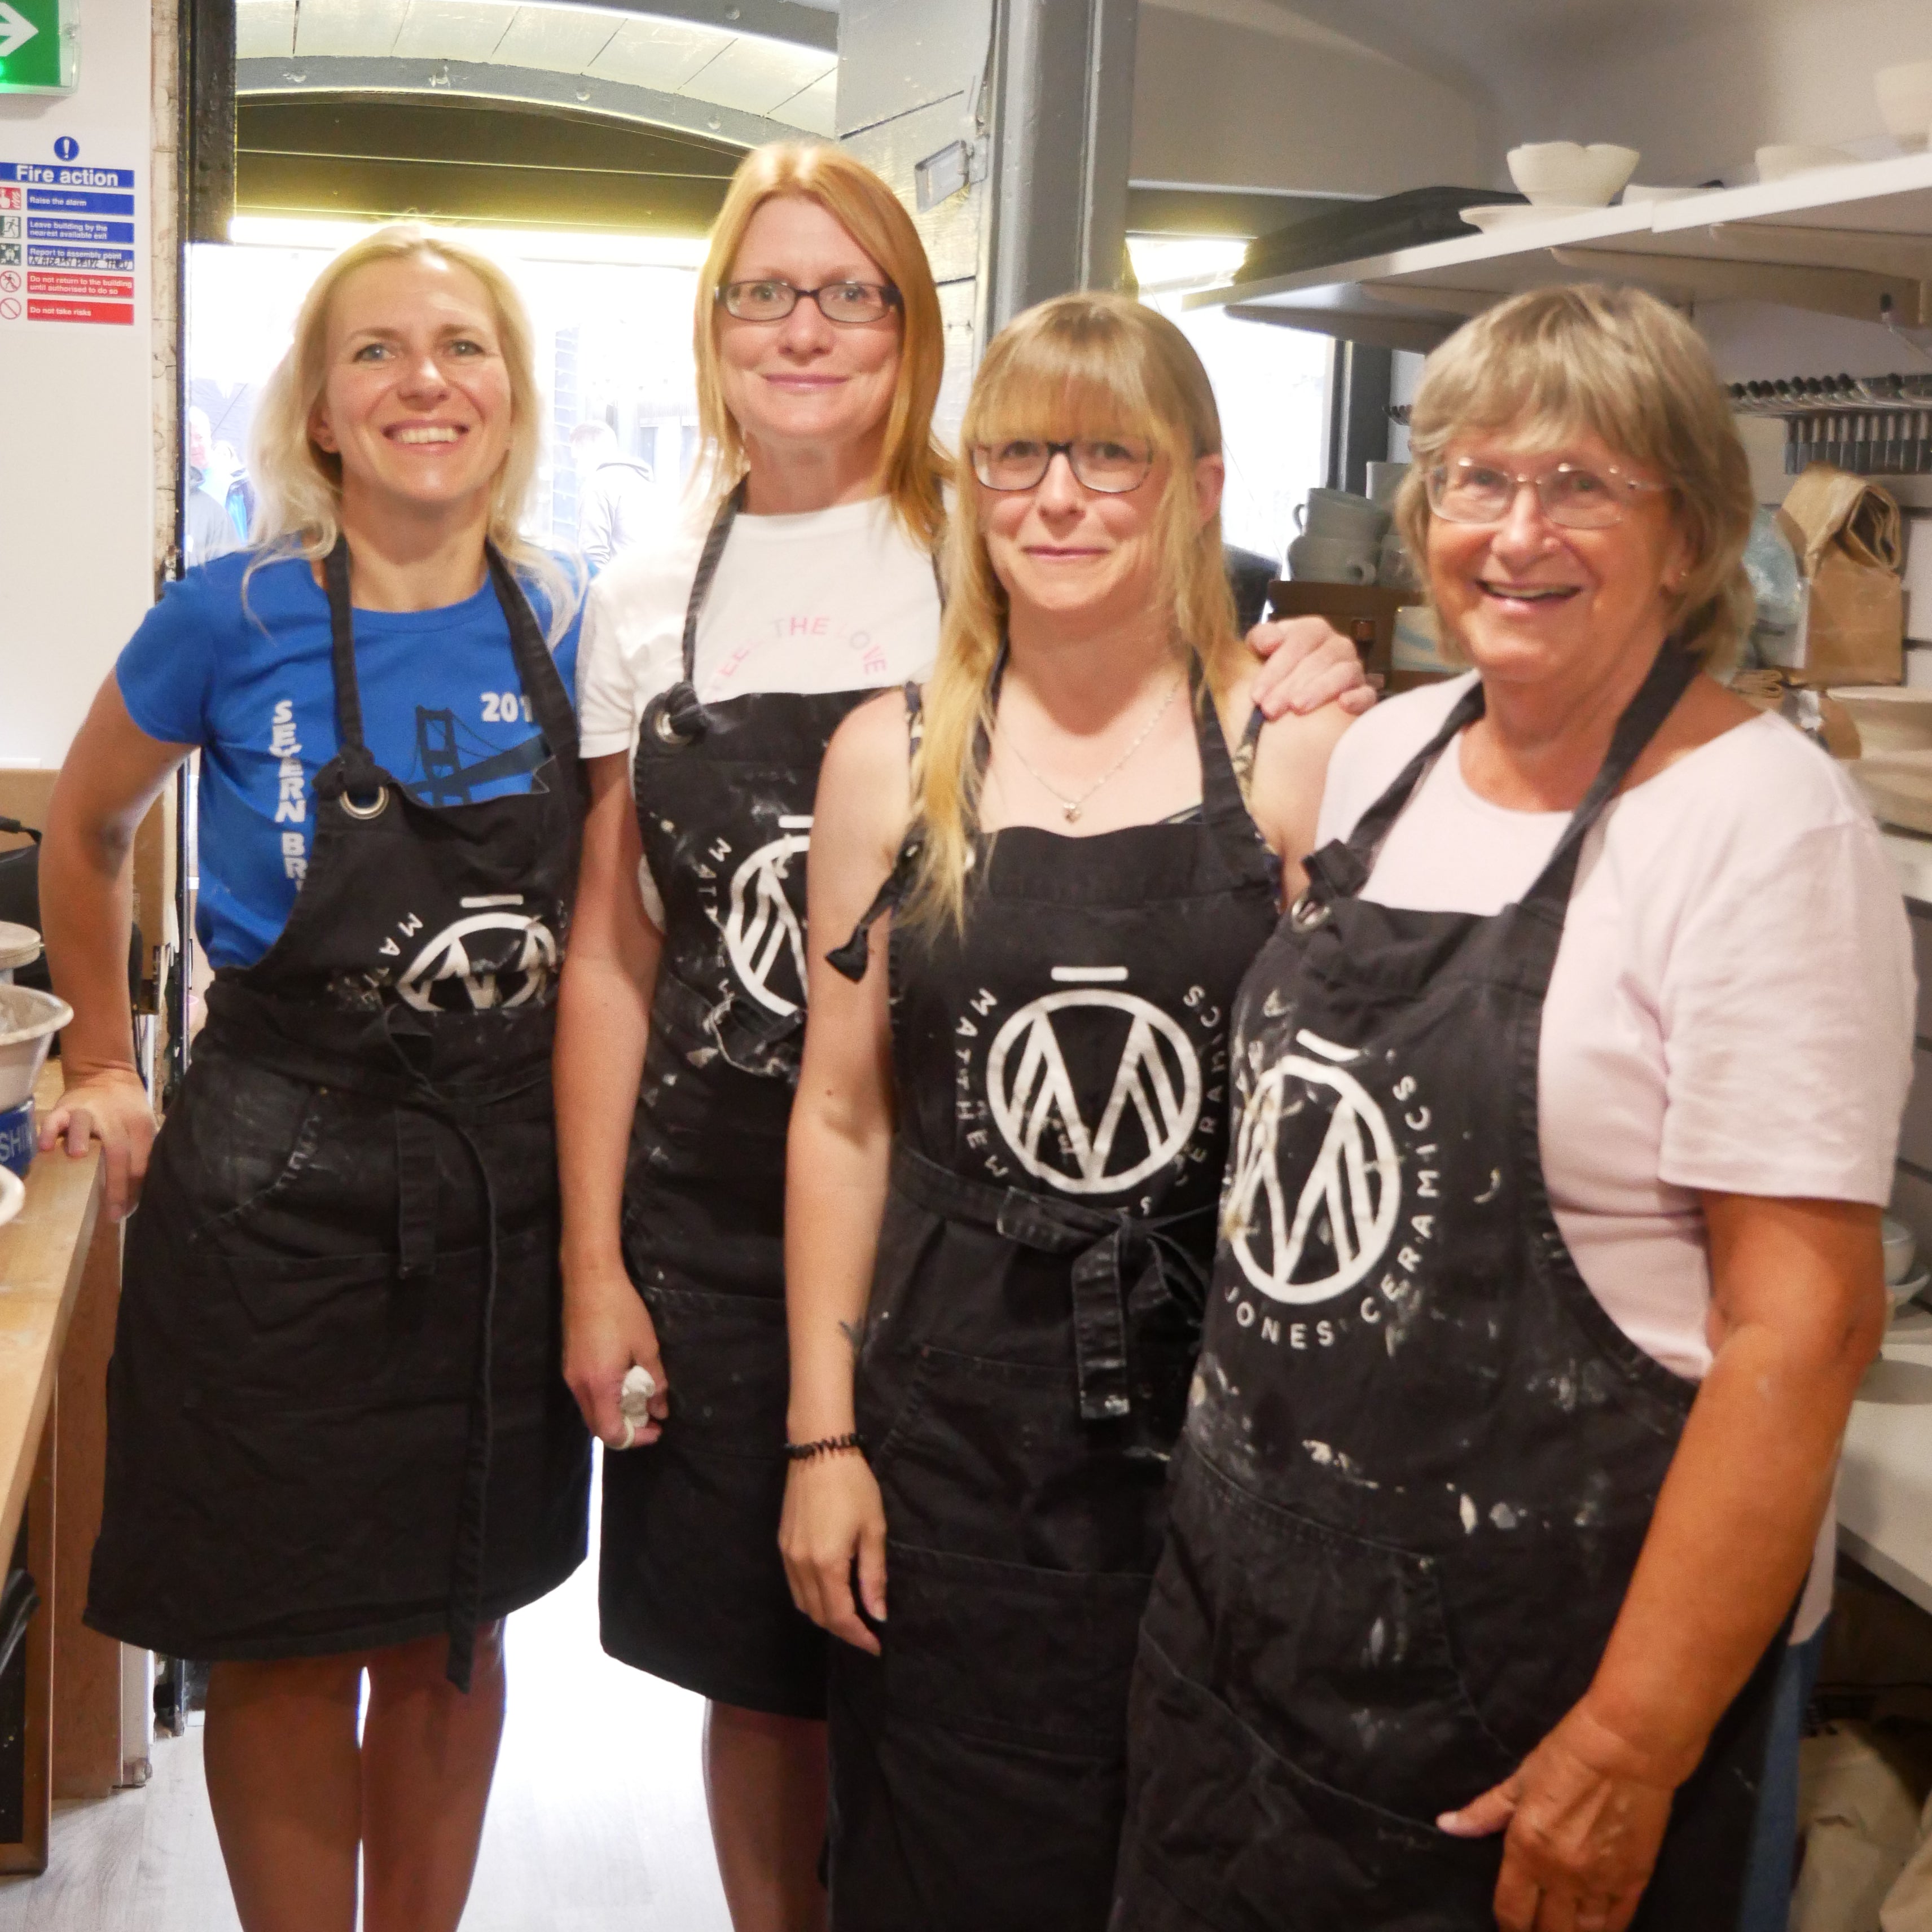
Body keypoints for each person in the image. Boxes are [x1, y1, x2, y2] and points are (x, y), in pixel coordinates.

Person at [555, 142, 1370, 1932]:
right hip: (812, 1261)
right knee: (792, 1699)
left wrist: (1317, 654)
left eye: (850, 289)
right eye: (763, 290)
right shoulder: (668, 607)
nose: (1058, 497)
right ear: (709, 326)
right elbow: (626, 955)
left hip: (1161, 1347)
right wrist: (602, 1262)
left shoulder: (1184, 679)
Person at [1110, 282, 1915, 1932]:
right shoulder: (1383, 753)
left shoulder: (1761, 824)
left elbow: (1797, 1328)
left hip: (1539, 1685)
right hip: (1246, 1632)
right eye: (1474, 479)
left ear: (1688, 535)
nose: (1516, 531)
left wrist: (1626, 1738)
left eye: (1583, 485)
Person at [778, 291, 1356, 1931]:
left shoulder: (1300, 750)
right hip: (953, 1435)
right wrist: (822, 1437)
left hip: (1227, 1433)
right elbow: (838, 1120)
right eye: (1017, 452)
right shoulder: (886, 758)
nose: (1056, 494)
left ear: (1200, 485)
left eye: (1110, 453)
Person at [41, 224, 590, 1932]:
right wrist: (109, 1056)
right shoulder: (235, 611)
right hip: (266, 1193)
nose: (424, 378)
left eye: (462, 344)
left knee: (453, 1625)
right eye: (377, 351)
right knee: (277, 1639)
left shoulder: (575, 616)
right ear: (323, 413)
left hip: (501, 1186)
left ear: (509, 395)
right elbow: (81, 828)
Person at [571, 418, 656, 569]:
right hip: (652, 585)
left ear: (588, 452)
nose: (577, 468)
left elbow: (593, 558)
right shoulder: (645, 484)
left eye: (577, 459)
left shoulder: (597, 485)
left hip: (621, 589)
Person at [186, 403, 242, 565]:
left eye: (200, 437)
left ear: (210, 437)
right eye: (189, 438)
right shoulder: (174, 491)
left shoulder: (233, 485)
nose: (194, 445)